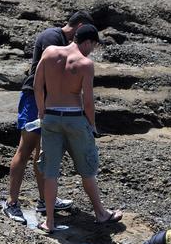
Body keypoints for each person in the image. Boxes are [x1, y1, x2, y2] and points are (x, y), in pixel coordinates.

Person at [3, 10, 95, 224]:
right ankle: (12, 203)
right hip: (34, 99)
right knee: (25, 148)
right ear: (80, 26)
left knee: (42, 152)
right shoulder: (52, 38)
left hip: (50, 103)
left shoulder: (63, 42)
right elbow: (48, 75)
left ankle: (45, 200)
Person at [33, 24, 123, 233]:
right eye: (92, 46)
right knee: (87, 170)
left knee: (50, 171)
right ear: (88, 42)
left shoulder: (49, 52)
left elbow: (38, 85)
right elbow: (88, 101)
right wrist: (91, 125)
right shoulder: (85, 63)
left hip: (51, 116)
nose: (91, 50)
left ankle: (49, 222)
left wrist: (41, 111)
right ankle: (101, 213)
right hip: (74, 118)